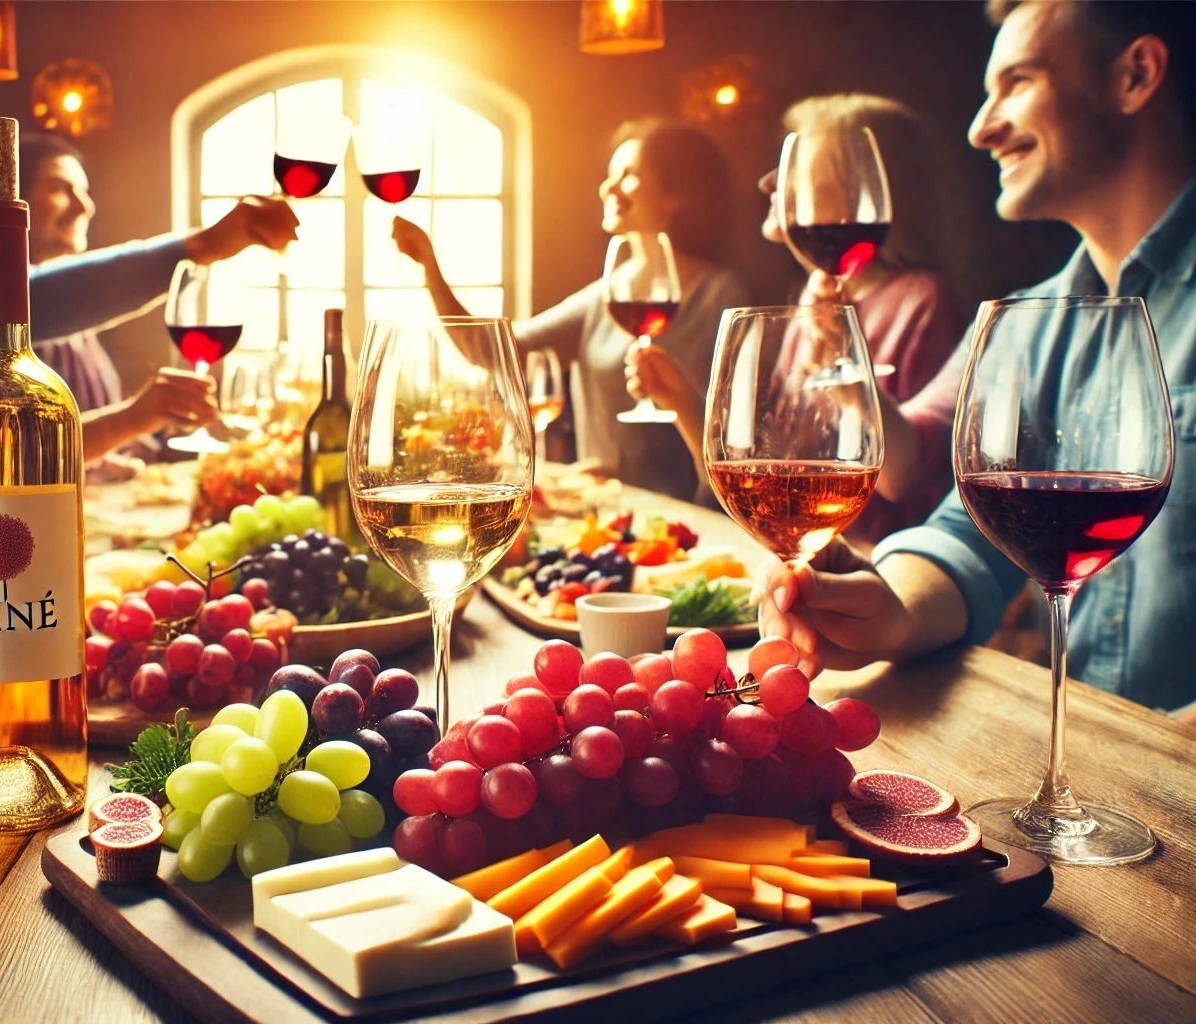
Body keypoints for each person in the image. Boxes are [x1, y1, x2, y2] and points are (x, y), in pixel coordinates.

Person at [760, 0, 1196, 716]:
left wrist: (1161, 764)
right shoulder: (1023, 323)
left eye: (1017, 83)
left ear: (1136, 76)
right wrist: (890, 604)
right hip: (1082, 773)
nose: (980, 127)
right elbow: (968, 531)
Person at [628, 94, 969, 538]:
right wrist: (685, 407)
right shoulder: (808, 303)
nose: (769, 183)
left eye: (797, 165)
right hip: (807, 556)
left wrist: (846, 372)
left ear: (863, 189)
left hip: (877, 576)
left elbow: (902, 481)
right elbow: (776, 468)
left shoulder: (920, 301)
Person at [391, 119, 751, 501]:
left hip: (697, 516)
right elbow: (489, 350)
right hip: (612, 512)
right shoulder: (607, 296)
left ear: (676, 193)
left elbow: (736, 432)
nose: (607, 187)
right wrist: (430, 268)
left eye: (628, 175)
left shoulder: (720, 294)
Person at [0, 132, 301, 462]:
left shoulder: (78, 330)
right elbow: (40, 297)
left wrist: (120, 454)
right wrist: (203, 245)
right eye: (59, 188)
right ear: (6, 205)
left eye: (84, 191)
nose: (85, 206)